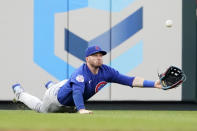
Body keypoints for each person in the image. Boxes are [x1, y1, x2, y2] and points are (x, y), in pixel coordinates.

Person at [12, 45, 162, 114]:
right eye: (95, 55)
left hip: (68, 90)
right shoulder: (81, 73)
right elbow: (77, 92)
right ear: (87, 58)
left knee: (68, 85)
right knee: (40, 109)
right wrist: (82, 109)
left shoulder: (106, 71)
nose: (99, 57)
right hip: (56, 99)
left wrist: (154, 84)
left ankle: (52, 85)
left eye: (100, 55)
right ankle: (19, 93)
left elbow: (130, 80)